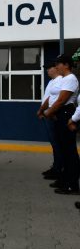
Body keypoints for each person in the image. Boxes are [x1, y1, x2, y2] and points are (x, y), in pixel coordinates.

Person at [44, 54, 79, 195]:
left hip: (65, 113)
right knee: (63, 150)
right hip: (61, 114)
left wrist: (48, 112)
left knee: (69, 151)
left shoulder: (70, 79)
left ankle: (72, 184)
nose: (56, 66)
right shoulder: (65, 79)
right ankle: (65, 180)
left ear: (66, 65)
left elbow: (61, 101)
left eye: (59, 64)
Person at [37, 62, 63, 180]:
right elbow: (48, 98)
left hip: (52, 115)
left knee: (57, 143)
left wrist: (46, 111)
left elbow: (57, 101)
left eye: (49, 68)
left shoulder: (60, 80)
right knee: (54, 143)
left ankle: (59, 169)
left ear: (56, 68)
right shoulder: (52, 82)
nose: (47, 70)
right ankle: (56, 166)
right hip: (47, 114)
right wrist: (42, 110)